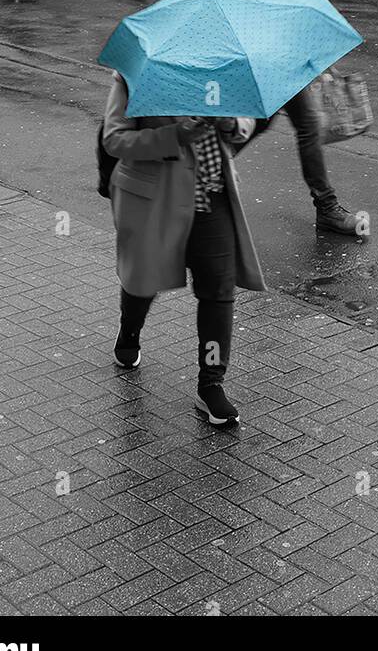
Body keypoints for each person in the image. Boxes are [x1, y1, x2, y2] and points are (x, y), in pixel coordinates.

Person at [102, 71, 263, 425]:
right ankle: (130, 330)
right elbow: (115, 139)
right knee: (144, 282)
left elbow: (247, 122)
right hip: (154, 200)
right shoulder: (137, 73)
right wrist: (175, 135)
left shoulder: (222, 72)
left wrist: (232, 122)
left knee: (218, 291)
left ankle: (211, 384)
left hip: (212, 198)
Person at [235, 0, 364, 238]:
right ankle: (201, 174)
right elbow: (235, 7)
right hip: (268, 64)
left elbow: (310, 7)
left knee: (296, 126)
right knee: (267, 125)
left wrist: (321, 57)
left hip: (294, 63)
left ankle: (327, 208)